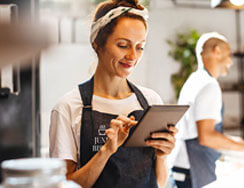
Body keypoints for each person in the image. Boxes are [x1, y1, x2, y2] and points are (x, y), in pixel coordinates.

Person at [49, 0, 177, 187]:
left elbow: (159, 183)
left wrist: (162, 157)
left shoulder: (151, 101)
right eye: (123, 45)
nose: (133, 56)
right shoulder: (68, 107)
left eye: (140, 47)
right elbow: (62, 185)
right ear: (97, 44)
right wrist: (106, 151)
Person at [171, 32, 244, 188]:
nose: (231, 62)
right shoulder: (209, 85)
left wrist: (241, 142)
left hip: (183, 169)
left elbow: (200, 131)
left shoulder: (194, 80)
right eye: (229, 54)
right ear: (217, 50)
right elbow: (207, 137)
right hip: (193, 172)